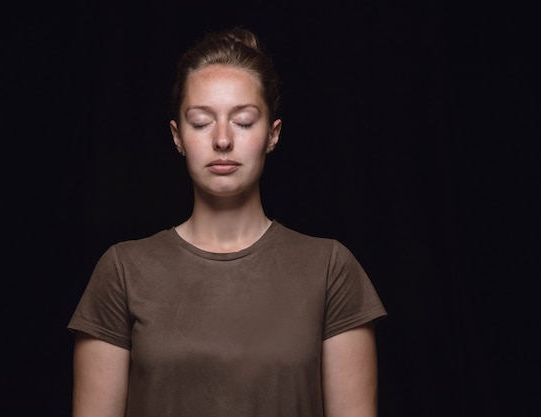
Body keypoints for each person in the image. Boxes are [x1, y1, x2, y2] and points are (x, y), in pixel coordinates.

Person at [68, 26, 387, 417]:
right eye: (201, 122)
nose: (222, 140)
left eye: (243, 121)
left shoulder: (330, 269)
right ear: (177, 136)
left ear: (273, 134)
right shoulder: (122, 271)